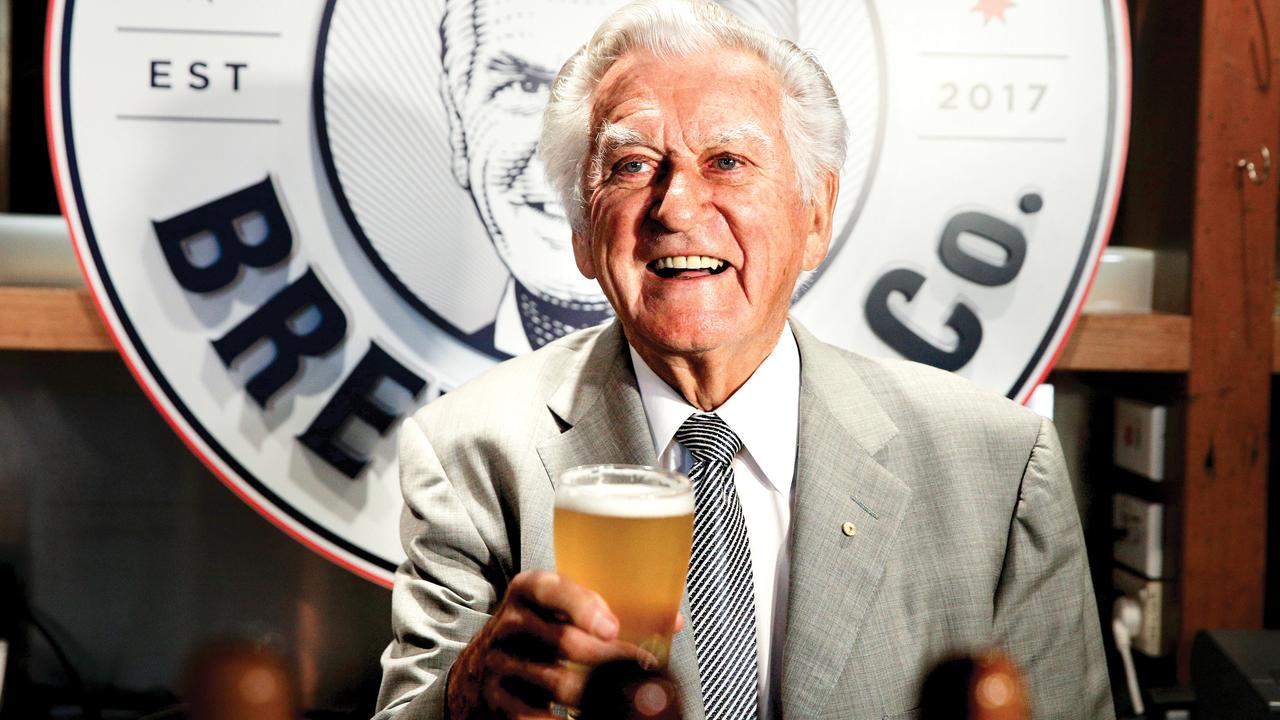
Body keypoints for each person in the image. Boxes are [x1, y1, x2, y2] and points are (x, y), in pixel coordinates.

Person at [378, 1, 1114, 718]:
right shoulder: (467, 456)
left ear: (816, 216)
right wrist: (463, 697)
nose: (676, 206)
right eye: (632, 165)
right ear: (581, 232)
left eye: (727, 162)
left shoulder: (1001, 464)